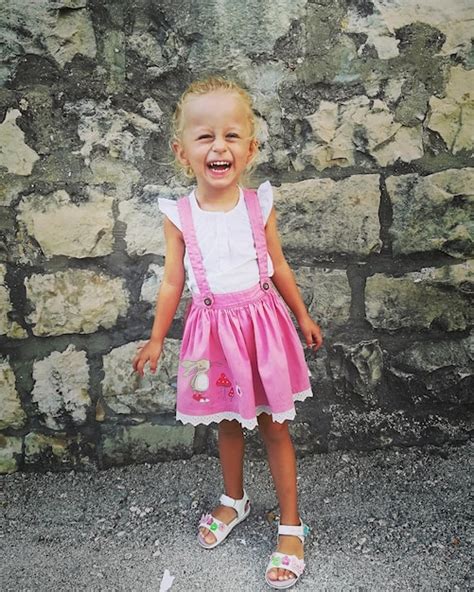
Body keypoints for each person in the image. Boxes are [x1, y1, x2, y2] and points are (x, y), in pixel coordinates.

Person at [132, 76, 323, 589]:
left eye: (232, 135)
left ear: (251, 147)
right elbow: (173, 281)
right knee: (223, 419)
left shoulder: (259, 205)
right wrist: (156, 338)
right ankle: (233, 499)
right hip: (206, 338)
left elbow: (278, 265)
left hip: (264, 329)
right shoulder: (179, 215)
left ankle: (290, 524)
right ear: (182, 151)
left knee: (275, 425)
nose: (219, 145)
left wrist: (302, 314)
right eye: (205, 136)